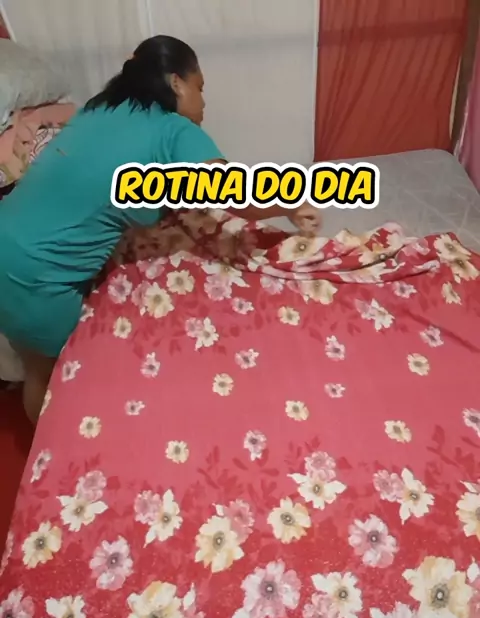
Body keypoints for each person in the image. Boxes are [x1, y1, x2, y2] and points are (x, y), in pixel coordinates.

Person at [0, 35, 321, 423]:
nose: (203, 102)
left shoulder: (99, 109)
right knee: (71, 384)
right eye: (200, 88)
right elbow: (236, 193)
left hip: (7, 236)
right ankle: (70, 452)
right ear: (176, 83)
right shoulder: (173, 130)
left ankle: (48, 448)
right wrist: (290, 202)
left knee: (39, 373)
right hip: (36, 276)